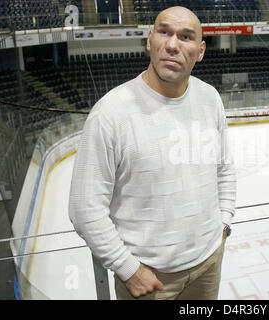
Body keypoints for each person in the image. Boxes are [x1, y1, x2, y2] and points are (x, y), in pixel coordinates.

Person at [69, 6, 236, 300]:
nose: (172, 45)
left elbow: (224, 169)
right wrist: (127, 268)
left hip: (209, 263)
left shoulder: (210, 98)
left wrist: (223, 223)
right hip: (150, 279)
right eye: (164, 32)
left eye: (186, 37)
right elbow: (85, 208)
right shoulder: (110, 114)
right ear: (150, 40)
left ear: (200, 51)